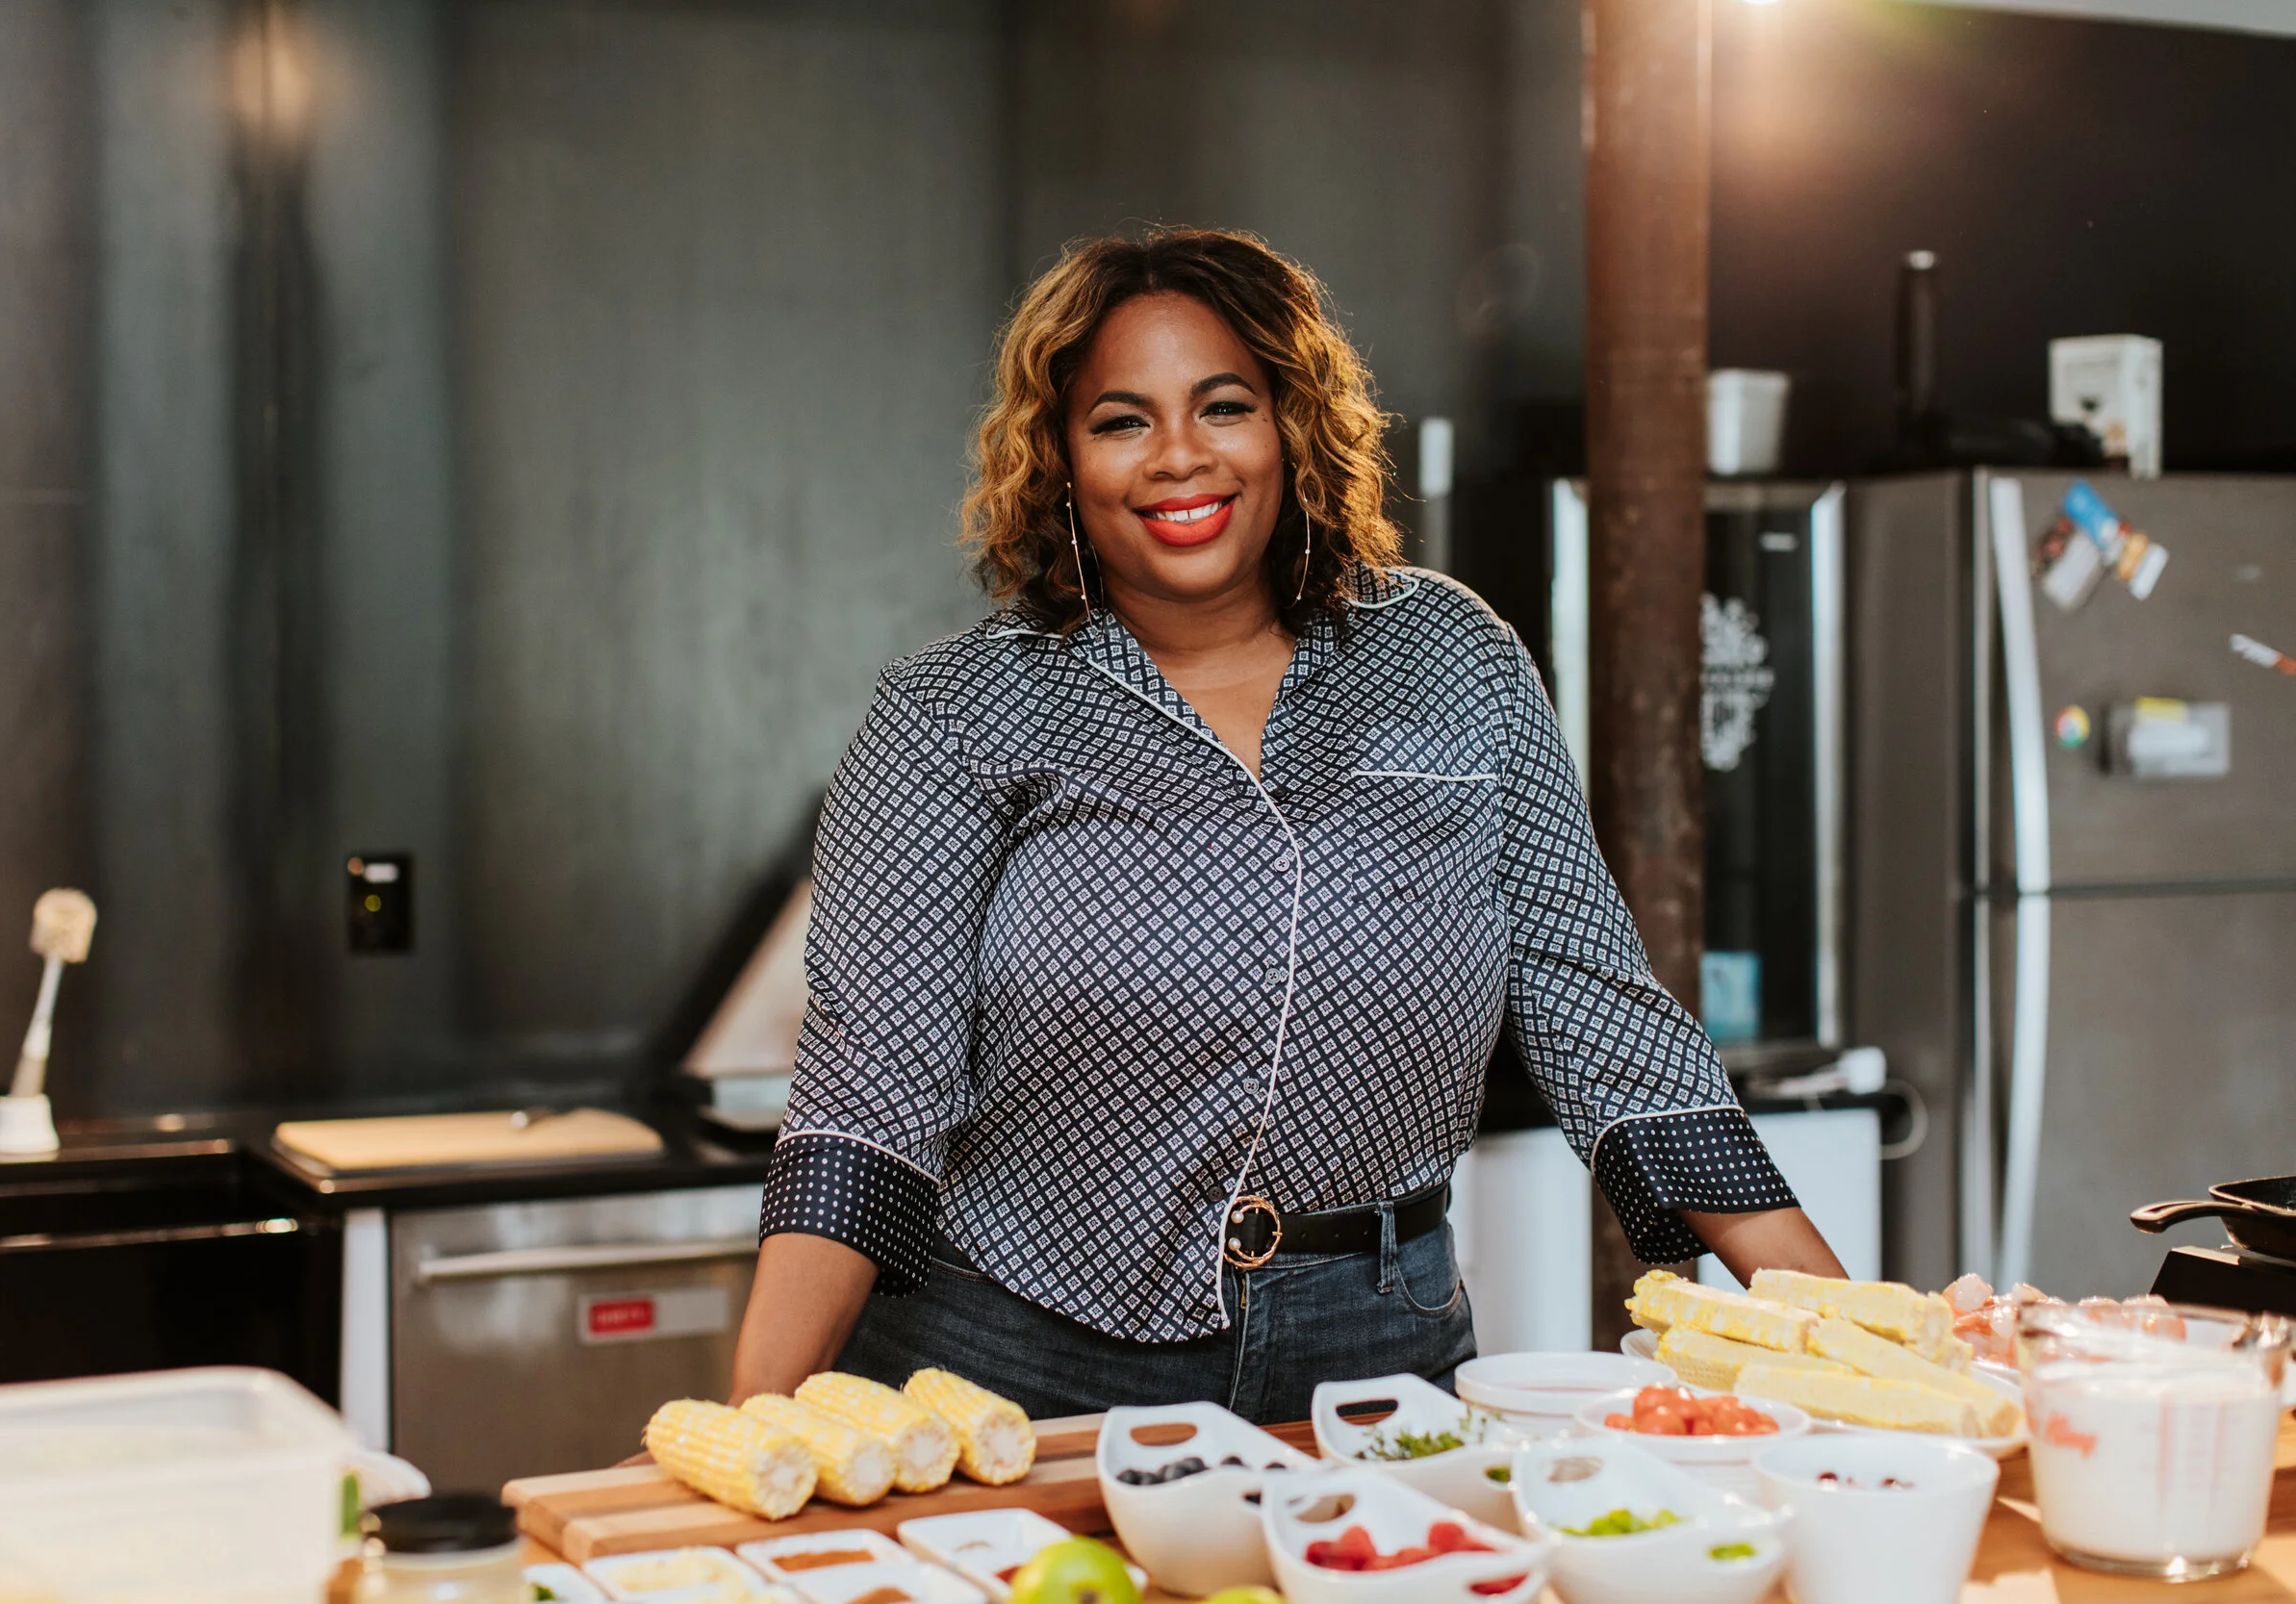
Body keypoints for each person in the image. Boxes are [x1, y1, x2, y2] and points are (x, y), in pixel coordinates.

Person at [729, 226, 1844, 1422]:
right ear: (1059, 458)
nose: (1176, 458)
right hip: (1015, 1365)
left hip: (1376, 1357)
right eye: (1120, 420)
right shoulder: (953, 712)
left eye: (1222, 407)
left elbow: (1602, 1015)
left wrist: (1856, 1338)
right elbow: (867, 1089)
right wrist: (753, 1418)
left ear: (1290, 426)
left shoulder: (1453, 658)